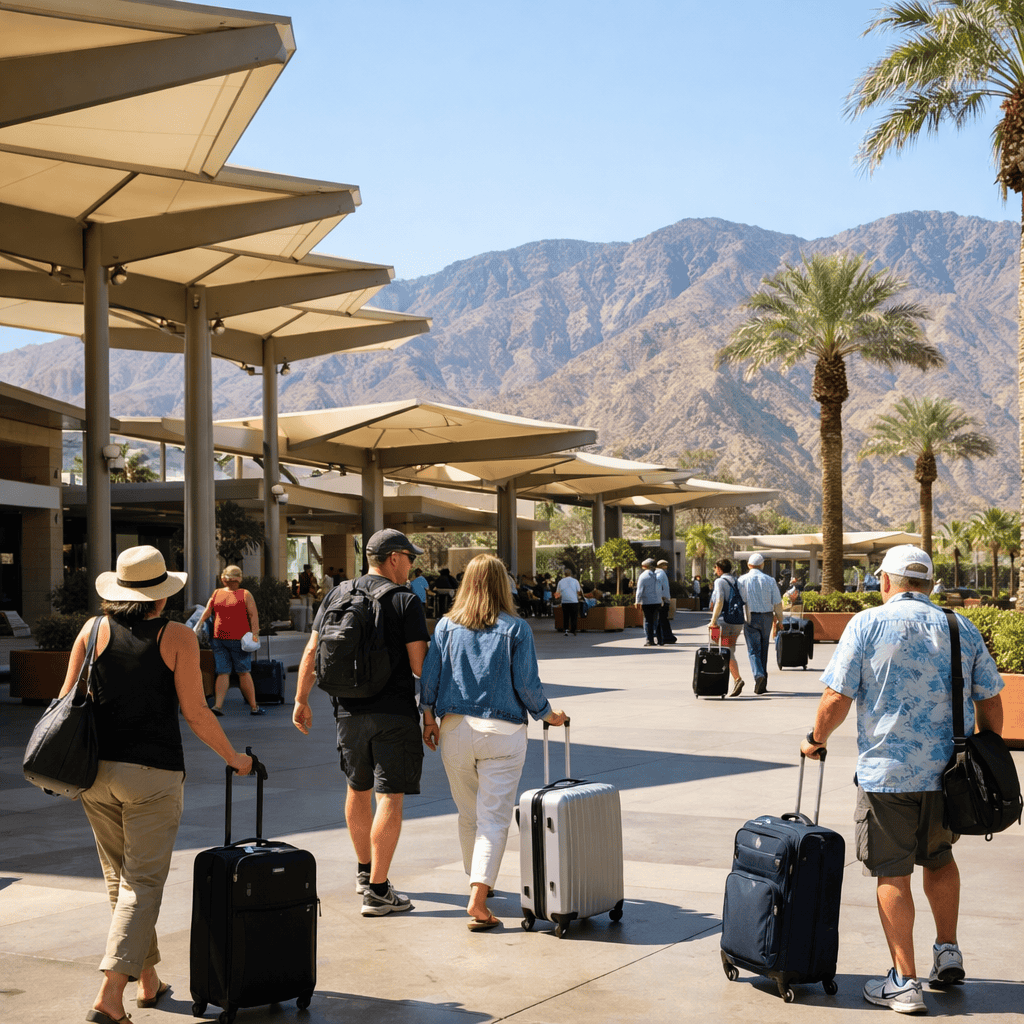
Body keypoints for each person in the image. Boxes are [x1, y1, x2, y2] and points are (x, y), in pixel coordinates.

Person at [800, 545, 1003, 1014]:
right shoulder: (959, 626)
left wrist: (815, 738)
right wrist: (985, 753)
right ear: (929, 584)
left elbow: (837, 697)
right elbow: (990, 700)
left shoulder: (867, 624)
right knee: (940, 859)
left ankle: (903, 981)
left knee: (893, 871)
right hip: (950, 775)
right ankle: (947, 950)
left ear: (884, 581)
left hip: (887, 775)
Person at [59, 546, 252, 1024]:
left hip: (94, 774)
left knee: (120, 880)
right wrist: (235, 758)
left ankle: (147, 981)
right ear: (161, 597)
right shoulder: (178, 637)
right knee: (142, 883)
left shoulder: (92, 629)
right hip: (152, 775)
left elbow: (65, 700)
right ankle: (109, 993)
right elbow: (197, 712)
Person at [419, 554, 567, 930]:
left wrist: (427, 717)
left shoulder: (445, 627)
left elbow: (430, 677)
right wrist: (549, 714)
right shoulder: (516, 629)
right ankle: (478, 898)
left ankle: (478, 883)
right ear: (504, 585)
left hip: (453, 728)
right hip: (502, 732)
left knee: (469, 814)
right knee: (493, 819)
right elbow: (526, 684)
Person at [292, 529, 430, 916]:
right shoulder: (405, 600)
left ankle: (364, 871)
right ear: (393, 559)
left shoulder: (337, 595)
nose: (411, 564)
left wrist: (301, 699)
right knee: (390, 795)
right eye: (409, 556)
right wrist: (433, 709)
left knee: (358, 788)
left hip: (347, 712)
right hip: (393, 713)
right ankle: (379, 890)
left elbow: (311, 649)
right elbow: (420, 666)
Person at [194, 565, 265, 716]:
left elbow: (207, 611)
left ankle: (218, 706)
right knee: (243, 672)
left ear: (223, 578)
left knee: (223, 672)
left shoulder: (217, 593)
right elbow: (253, 615)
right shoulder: (245, 594)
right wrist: (255, 634)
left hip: (219, 638)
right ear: (239, 579)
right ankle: (254, 707)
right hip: (239, 640)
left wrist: (198, 626)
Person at [737, 553, 783, 694]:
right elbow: (777, 603)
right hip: (767, 617)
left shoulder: (742, 580)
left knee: (753, 650)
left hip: (750, 616)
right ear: (762, 565)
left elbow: (740, 600)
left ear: (749, 565)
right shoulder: (770, 580)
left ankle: (759, 675)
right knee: (764, 649)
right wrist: (780, 620)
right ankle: (763, 683)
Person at [708, 558, 746, 697]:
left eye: (715, 568)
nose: (715, 571)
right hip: (737, 623)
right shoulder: (738, 581)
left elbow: (719, 601)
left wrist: (713, 621)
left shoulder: (719, 581)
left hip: (723, 622)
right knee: (728, 648)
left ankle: (735, 679)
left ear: (719, 568)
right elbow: (745, 601)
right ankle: (731, 680)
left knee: (719, 649)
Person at [635, 558, 661, 647]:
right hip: (657, 601)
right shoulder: (658, 576)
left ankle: (649, 640)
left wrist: (637, 601)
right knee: (655, 620)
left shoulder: (643, 576)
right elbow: (660, 589)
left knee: (647, 621)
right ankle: (659, 639)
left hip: (647, 602)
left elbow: (639, 590)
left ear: (645, 566)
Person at [555, 567, 584, 636]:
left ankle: (566, 630)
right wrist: (579, 597)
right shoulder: (575, 581)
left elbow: (557, 593)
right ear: (571, 574)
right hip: (574, 601)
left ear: (564, 574)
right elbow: (579, 591)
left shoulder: (560, 581)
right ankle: (573, 630)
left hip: (564, 601)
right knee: (574, 616)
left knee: (566, 616)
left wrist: (557, 598)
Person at [654, 559, 676, 644]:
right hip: (663, 600)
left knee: (662, 619)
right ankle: (666, 637)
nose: (666, 567)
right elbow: (659, 586)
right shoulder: (661, 573)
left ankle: (664, 636)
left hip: (662, 599)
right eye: (664, 565)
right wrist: (662, 597)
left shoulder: (659, 573)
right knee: (663, 619)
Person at [297, 564, 319, 629]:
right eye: (309, 569)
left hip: (304, 593)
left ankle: (306, 622)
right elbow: (309, 584)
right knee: (309, 607)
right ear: (307, 569)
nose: (310, 570)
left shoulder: (302, 575)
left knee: (305, 608)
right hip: (308, 593)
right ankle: (309, 621)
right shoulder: (308, 576)